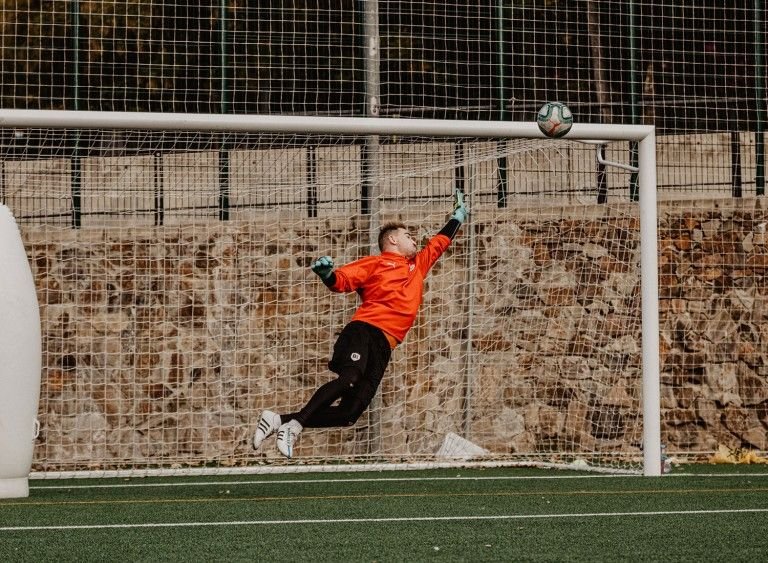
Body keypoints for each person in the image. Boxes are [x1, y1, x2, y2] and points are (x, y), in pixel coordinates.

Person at [252, 189, 468, 458]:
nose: (414, 240)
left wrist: (458, 217)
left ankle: (278, 421)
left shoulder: (417, 266)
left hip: (385, 345)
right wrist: (328, 274)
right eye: (408, 236)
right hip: (365, 331)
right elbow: (342, 280)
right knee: (349, 378)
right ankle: (294, 427)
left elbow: (439, 243)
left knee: (350, 413)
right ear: (392, 240)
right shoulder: (376, 264)